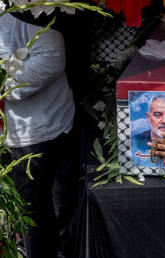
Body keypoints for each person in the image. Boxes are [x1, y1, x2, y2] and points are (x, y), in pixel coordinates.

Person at [0, 11, 78, 258]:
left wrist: (5, 85)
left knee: (36, 212)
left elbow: (52, 57)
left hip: (40, 131)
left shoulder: (23, 11)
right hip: (15, 133)